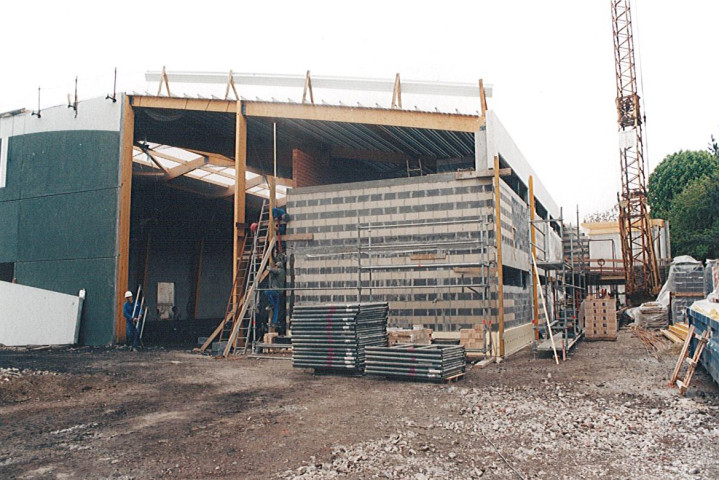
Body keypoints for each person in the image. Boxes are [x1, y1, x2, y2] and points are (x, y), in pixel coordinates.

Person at [264, 255, 286, 328]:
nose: (275, 267)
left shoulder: (279, 271)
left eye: (276, 266)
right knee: (276, 308)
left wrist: (268, 267)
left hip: (275, 290)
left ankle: (271, 304)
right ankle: (274, 322)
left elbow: (270, 269)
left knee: (266, 292)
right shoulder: (283, 272)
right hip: (279, 292)